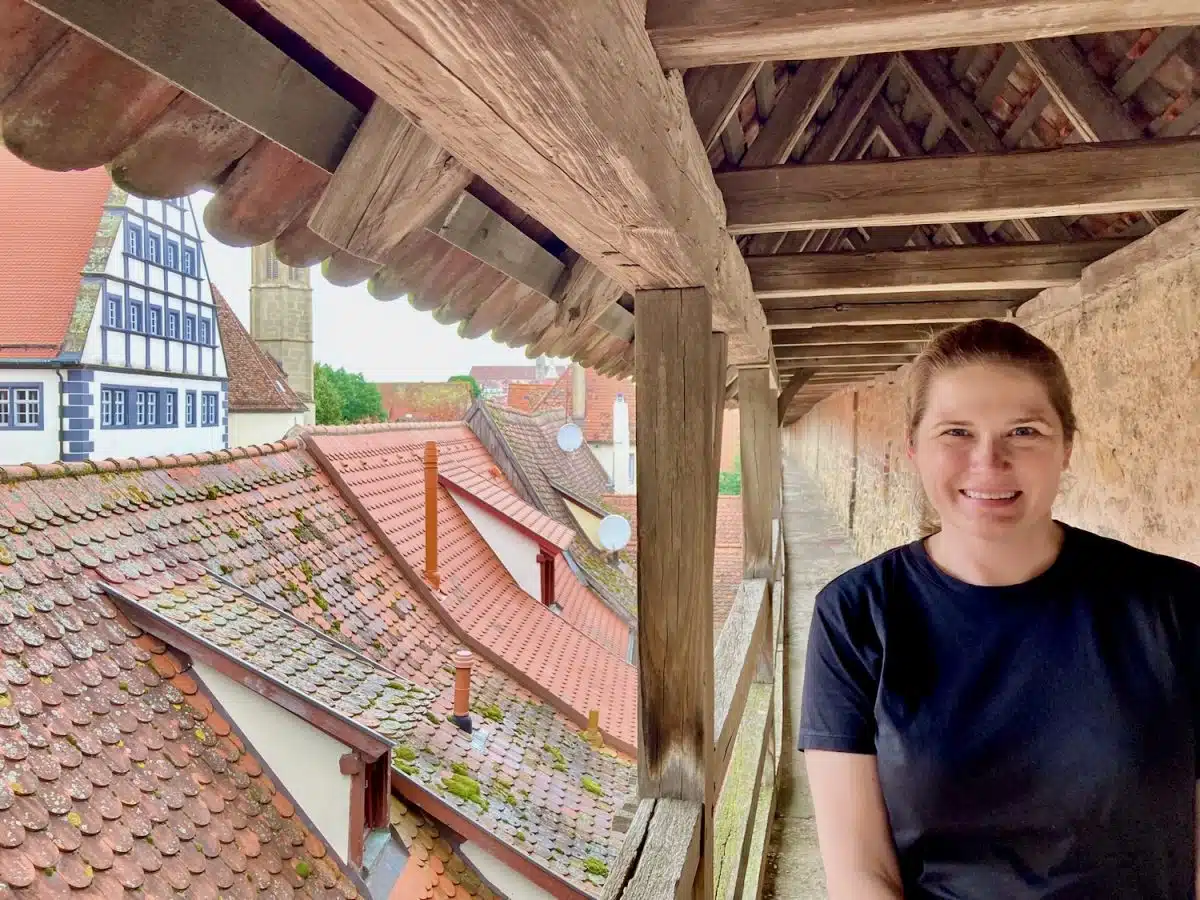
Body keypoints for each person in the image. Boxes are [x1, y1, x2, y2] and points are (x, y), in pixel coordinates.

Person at [798, 318, 1200, 900]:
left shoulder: (1174, 604)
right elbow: (860, 873)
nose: (989, 462)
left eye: (1024, 431)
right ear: (913, 449)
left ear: (1066, 448)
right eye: (956, 432)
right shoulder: (858, 614)